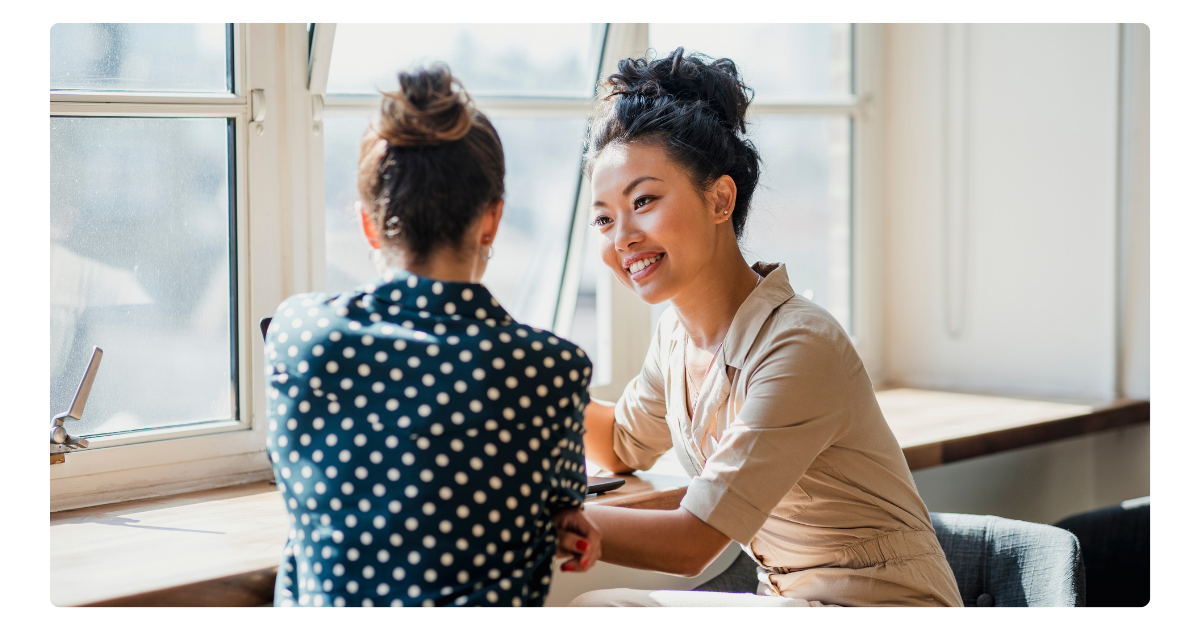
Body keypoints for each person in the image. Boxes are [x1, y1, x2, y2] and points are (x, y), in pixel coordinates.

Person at [571, 48, 963, 608]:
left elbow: (693, 543)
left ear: (720, 198)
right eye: (605, 218)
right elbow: (621, 443)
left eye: (646, 201)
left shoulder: (798, 345)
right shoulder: (676, 340)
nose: (622, 237)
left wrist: (545, 520)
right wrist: (519, 373)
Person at [265, 65, 601, 608]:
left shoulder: (298, 333)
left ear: (369, 224)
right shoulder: (550, 369)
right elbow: (562, 504)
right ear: (490, 221)